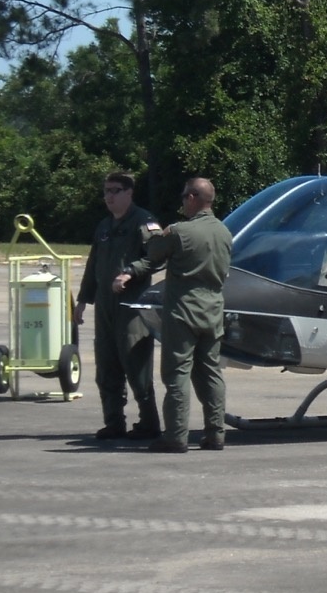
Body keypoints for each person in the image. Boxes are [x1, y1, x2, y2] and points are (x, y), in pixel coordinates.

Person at [115, 177, 232, 453]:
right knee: (211, 373)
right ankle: (216, 433)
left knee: (177, 372)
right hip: (213, 310)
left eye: (183, 197)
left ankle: (176, 435)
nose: (182, 202)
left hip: (183, 312)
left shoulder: (180, 232)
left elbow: (154, 252)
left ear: (193, 197)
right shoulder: (224, 232)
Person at [76, 171, 160, 440]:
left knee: (136, 366)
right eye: (106, 191)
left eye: (114, 191)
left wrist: (131, 272)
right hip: (105, 306)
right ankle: (113, 422)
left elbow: (157, 257)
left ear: (128, 193)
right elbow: (93, 266)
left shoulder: (144, 222)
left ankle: (149, 422)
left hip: (132, 305)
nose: (109, 196)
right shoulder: (103, 227)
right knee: (106, 365)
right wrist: (82, 301)